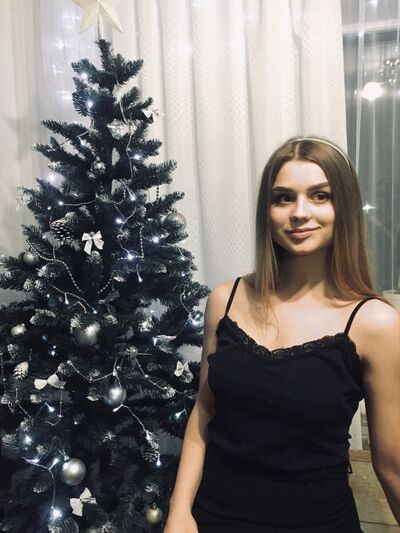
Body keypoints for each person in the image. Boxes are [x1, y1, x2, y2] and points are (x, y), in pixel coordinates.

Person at [164, 136, 400, 532]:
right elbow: (205, 411)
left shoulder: (375, 323)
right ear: (267, 211)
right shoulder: (225, 299)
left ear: (343, 207)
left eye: (320, 196)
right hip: (214, 517)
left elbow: (391, 463)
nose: (300, 213)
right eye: (283, 198)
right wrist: (179, 511)